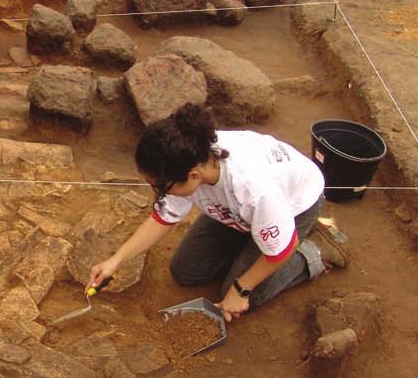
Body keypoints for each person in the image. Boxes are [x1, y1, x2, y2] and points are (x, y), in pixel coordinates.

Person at [87, 103, 347, 323]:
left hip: (295, 205)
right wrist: (116, 260)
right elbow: (162, 218)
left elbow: (280, 252)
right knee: (186, 271)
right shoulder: (190, 154)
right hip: (240, 215)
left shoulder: (255, 189)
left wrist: (241, 288)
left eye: (159, 185)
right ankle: (255, 239)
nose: (155, 190)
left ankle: (317, 251)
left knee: (245, 294)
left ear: (193, 176)